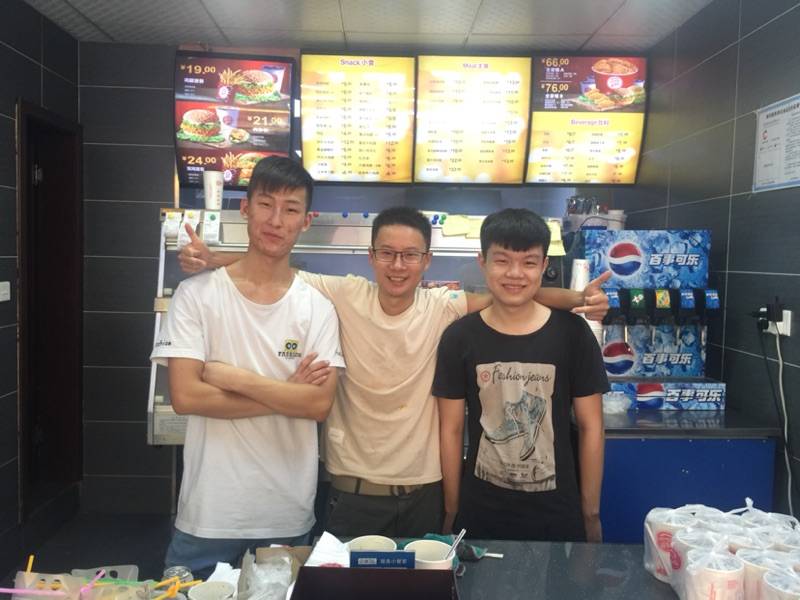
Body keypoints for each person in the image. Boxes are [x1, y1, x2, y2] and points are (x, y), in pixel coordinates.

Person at [180, 202, 610, 538]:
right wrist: (214, 258)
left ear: (427, 260)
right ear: (370, 256)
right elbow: (275, 268)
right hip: (352, 492)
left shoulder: (443, 306)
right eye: (387, 253)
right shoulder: (345, 293)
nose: (398, 265)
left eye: (409, 255)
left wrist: (579, 300)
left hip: (426, 492)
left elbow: (512, 294)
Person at [151, 157, 345, 577]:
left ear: (306, 221)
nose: (276, 220)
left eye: (290, 209)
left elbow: (317, 405)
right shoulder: (195, 295)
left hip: (286, 518)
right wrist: (287, 393)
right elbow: (186, 397)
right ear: (245, 208)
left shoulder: (317, 307)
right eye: (265, 204)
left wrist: (234, 379)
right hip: (207, 516)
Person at [433, 208, 608, 543]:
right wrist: (452, 510)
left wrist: (591, 513)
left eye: (528, 262)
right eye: (502, 260)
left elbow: (591, 427)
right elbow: (451, 430)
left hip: (556, 513)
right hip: (480, 512)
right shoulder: (459, 337)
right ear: (482, 262)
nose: (515, 273)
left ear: (544, 265)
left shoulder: (573, 334)